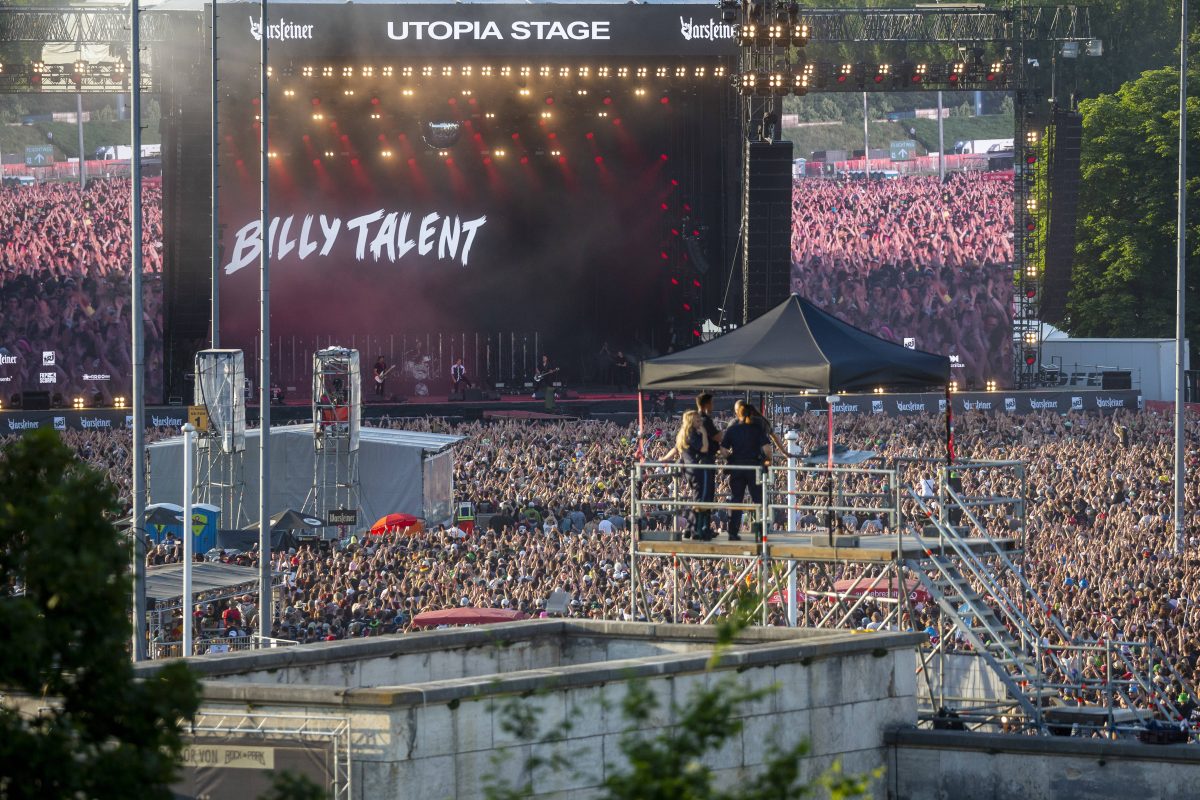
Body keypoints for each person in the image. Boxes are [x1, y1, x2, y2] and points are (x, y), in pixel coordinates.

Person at [721, 402, 772, 541]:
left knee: (736, 499)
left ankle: (732, 532)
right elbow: (767, 449)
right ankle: (760, 533)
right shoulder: (757, 428)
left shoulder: (732, 429)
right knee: (758, 500)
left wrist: (732, 457)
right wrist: (768, 460)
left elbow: (723, 450)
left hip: (737, 469)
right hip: (754, 468)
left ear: (738, 413)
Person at [663, 409, 712, 540]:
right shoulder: (693, 434)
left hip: (689, 471)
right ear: (691, 421)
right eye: (697, 420)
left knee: (698, 500)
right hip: (696, 470)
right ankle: (690, 528)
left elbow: (676, 449)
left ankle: (690, 529)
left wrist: (664, 458)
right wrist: (704, 434)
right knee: (699, 501)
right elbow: (704, 449)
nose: (700, 422)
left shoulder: (682, 434)